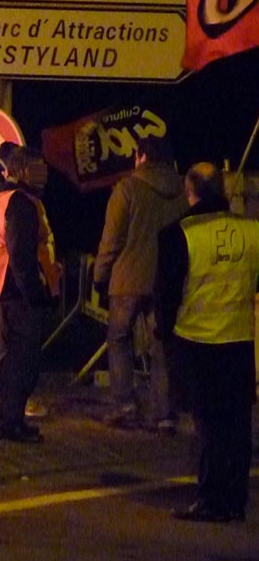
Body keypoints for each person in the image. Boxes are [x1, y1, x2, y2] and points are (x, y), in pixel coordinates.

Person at [156, 163, 259, 523]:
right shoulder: (253, 231)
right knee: (238, 424)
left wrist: (165, 334)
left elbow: (166, 295)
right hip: (240, 340)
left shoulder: (178, 234)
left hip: (197, 341)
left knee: (208, 426)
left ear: (191, 190)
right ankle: (235, 499)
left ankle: (211, 498)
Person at [93, 135, 186, 433]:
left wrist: (100, 274)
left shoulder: (128, 189)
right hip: (165, 281)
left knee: (119, 340)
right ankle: (164, 414)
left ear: (142, 156)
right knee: (161, 345)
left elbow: (112, 239)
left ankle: (125, 406)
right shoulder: (183, 191)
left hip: (127, 280)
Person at [0, 147, 57, 443]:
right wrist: (35, 295)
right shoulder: (20, 203)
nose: (42, 176)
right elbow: (20, 256)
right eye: (37, 169)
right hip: (15, 292)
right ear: (22, 171)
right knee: (24, 360)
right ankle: (11, 422)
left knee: (11, 359)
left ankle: (10, 420)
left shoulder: (2, 198)